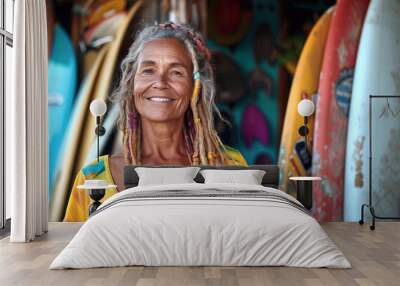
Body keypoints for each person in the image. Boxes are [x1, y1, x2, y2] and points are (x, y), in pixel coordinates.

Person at [64, 22, 247, 222]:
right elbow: (73, 248)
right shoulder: (94, 178)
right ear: (131, 84)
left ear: (196, 87)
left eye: (176, 72)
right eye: (148, 70)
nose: (160, 82)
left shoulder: (231, 165)